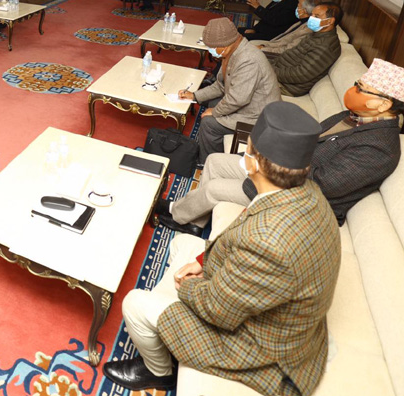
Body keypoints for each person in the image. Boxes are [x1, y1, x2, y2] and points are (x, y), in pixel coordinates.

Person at [106, 102, 341, 396]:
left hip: (258, 348)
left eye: (248, 149)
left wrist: (187, 286)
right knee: (183, 244)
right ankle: (164, 318)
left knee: (135, 303)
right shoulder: (306, 191)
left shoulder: (267, 242)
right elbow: (245, 232)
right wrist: (203, 261)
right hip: (262, 304)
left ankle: (159, 371)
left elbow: (219, 311)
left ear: (253, 164)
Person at [160, 58, 404, 233]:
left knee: (215, 188)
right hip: (284, 170)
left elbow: (325, 185)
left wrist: (270, 167)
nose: (353, 90)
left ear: (383, 104)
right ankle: (194, 220)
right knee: (216, 161)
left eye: (361, 88)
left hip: (298, 197)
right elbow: (308, 140)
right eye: (357, 84)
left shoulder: (378, 148)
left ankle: (179, 212)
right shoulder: (353, 116)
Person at [178, 17, 280, 164]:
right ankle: (215, 149)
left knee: (208, 123)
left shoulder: (248, 60)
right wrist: (194, 96)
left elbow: (238, 99)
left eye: (212, 47)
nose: (210, 51)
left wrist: (215, 112)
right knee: (210, 102)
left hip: (259, 118)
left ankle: (208, 163)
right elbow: (221, 85)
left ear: (224, 45)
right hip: (248, 105)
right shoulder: (232, 52)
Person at [271, 2, 342, 97]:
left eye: (316, 16)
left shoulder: (326, 46)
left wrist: (269, 71)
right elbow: (291, 53)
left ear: (330, 21)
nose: (311, 18)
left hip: (287, 86)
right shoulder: (317, 34)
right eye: (312, 14)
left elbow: (300, 74)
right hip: (278, 71)